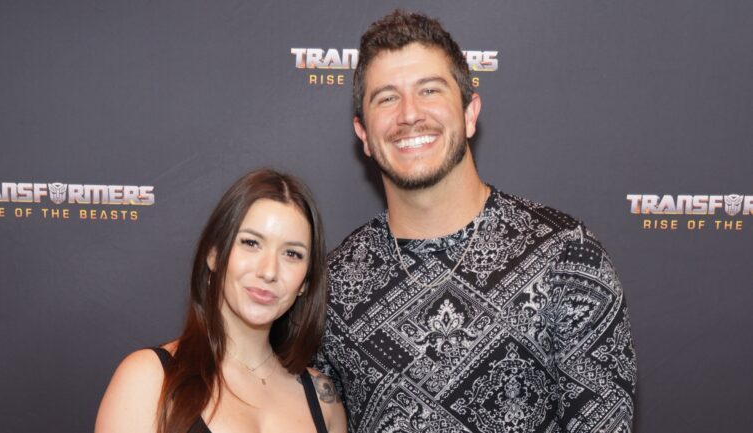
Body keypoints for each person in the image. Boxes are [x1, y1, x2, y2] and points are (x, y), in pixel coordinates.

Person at [316, 10, 636, 433]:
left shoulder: (566, 256)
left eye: (429, 90)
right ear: (364, 135)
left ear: (469, 113)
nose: (409, 114)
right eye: (386, 98)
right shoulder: (334, 284)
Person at [96, 169, 347, 433]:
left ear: (306, 281)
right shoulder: (149, 379)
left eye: (292, 254)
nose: (269, 271)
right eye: (251, 243)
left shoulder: (324, 401)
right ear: (214, 254)